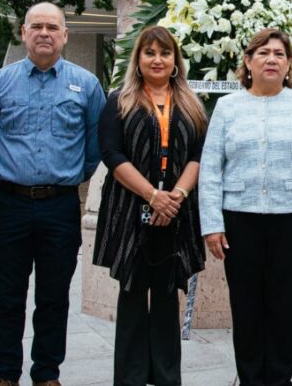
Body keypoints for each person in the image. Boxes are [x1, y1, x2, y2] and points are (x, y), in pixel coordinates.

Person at [0, 2, 107, 386]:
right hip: (11, 204)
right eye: (37, 26)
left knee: (53, 298)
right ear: (23, 32)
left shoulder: (86, 85)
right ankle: (4, 373)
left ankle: (47, 373)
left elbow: (95, 144)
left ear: (65, 35)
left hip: (60, 205)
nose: (45, 33)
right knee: (7, 297)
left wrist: (68, 177)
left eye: (53, 27)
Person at [198, 27, 292, 386]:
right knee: (246, 306)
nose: (272, 59)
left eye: (279, 54)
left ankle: (280, 378)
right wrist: (212, 224)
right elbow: (210, 169)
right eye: (263, 53)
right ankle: (252, 377)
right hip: (239, 222)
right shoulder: (227, 107)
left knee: (286, 307)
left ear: (289, 64)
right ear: (247, 61)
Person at [92, 26, 208, 386]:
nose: (157, 60)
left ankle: (166, 376)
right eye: (149, 53)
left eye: (165, 53)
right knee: (131, 293)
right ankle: (130, 377)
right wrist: (153, 196)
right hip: (131, 211)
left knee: (165, 294)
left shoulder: (190, 102)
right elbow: (112, 154)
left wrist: (176, 197)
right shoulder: (119, 100)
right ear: (138, 59)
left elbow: (198, 155)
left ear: (175, 61)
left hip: (176, 212)